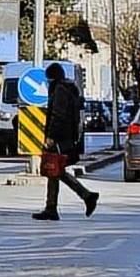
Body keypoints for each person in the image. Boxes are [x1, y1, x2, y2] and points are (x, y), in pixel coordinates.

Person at [35, 63, 99, 221]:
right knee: (54, 171)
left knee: (54, 169)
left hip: (59, 137)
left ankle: (84, 196)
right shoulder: (68, 88)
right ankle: (53, 207)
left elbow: (58, 115)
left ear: (52, 77)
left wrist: (51, 137)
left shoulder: (60, 90)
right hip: (67, 136)